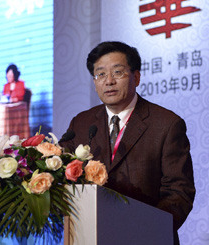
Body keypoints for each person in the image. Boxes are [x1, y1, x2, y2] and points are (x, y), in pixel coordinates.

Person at [60, 41, 195, 244]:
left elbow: (179, 192)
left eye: (118, 72)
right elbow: (61, 166)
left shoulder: (166, 124)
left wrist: (144, 229)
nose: (109, 81)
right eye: (101, 74)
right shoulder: (82, 122)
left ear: (137, 77)